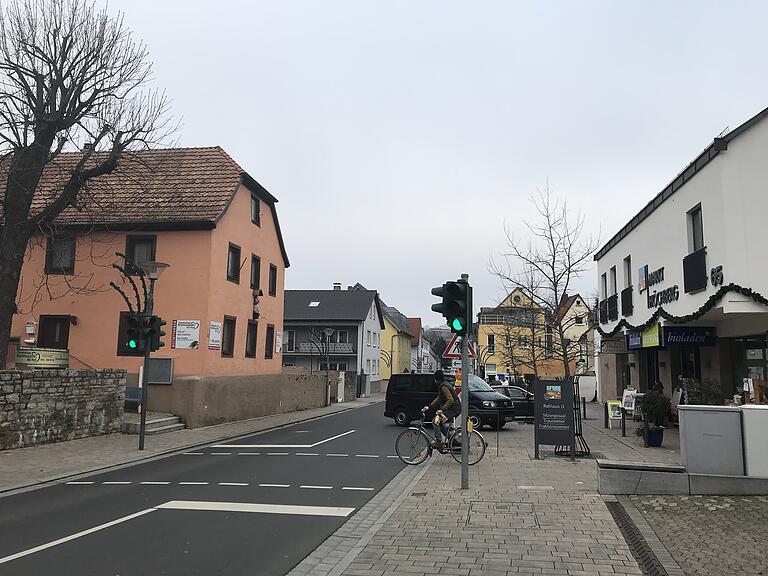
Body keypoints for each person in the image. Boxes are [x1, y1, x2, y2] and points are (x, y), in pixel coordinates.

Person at [423, 370, 461, 450]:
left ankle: (438, 442)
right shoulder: (443, 385)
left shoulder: (443, 387)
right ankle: (452, 440)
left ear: (436, 378)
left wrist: (442, 410)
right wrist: (430, 406)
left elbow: (450, 400)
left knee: (435, 421)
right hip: (454, 408)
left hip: (453, 409)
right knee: (439, 423)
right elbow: (439, 398)